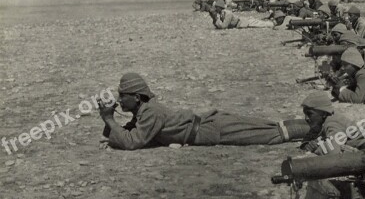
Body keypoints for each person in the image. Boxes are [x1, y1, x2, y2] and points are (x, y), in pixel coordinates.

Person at [99, 73, 310, 150]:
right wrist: (110, 125)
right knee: (270, 127)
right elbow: (131, 131)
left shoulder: (150, 112)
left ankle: (315, 129)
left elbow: (132, 142)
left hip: (210, 130)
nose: (119, 99)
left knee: (272, 134)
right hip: (210, 124)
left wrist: (109, 118)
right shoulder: (144, 111)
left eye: (122, 95)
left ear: (136, 97)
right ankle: (314, 126)